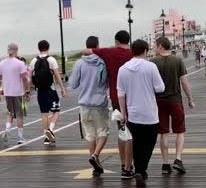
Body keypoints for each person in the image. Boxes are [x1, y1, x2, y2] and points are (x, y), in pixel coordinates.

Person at [83, 30, 133, 177]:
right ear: (128, 41)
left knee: (122, 131)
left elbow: (86, 51)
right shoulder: (131, 54)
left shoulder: (109, 52)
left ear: (116, 41)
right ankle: (130, 165)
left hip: (116, 97)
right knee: (133, 133)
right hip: (134, 98)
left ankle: (123, 164)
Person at [118, 39, 165, 186]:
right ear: (145, 51)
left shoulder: (123, 69)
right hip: (149, 113)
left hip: (133, 113)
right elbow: (160, 88)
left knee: (137, 143)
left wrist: (123, 114)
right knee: (149, 143)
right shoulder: (151, 67)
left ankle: (140, 170)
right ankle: (141, 170)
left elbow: (121, 93)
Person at [151, 37, 195, 175]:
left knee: (163, 132)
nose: (153, 47)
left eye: (155, 45)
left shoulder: (152, 63)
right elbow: (184, 82)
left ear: (160, 47)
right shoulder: (177, 60)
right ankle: (178, 159)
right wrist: (190, 99)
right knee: (179, 130)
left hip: (159, 102)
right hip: (175, 100)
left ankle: (165, 163)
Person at [69, 36, 110, 177]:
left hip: (84, 104)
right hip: (100, 103)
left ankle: (94, 164)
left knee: (90, 134)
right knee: (103, 132)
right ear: (97, 46)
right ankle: (96, 155)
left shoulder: (80, 63)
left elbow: (73, 84)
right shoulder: (103, 62)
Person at [29, 40, 67, 146]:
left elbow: (30, 78)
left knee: (44, 114)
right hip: (51, 90)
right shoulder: (51, 59)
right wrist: (62, 88)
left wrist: (28, 90)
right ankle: (50, 130)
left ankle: (46, 138)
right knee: (56, 110)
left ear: (38, 48)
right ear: (48, 47)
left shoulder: (33, 61)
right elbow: (57, 75)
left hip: (40, 91)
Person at [0, 43, 30, 145]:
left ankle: (8, 128)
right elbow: (24, 79)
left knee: (10, 112)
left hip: (7, 92)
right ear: (16, 51)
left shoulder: (2, 63)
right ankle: (20, 136)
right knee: (19, 115)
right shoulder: (19, 63)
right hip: (18, 92)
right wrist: (27, 91)